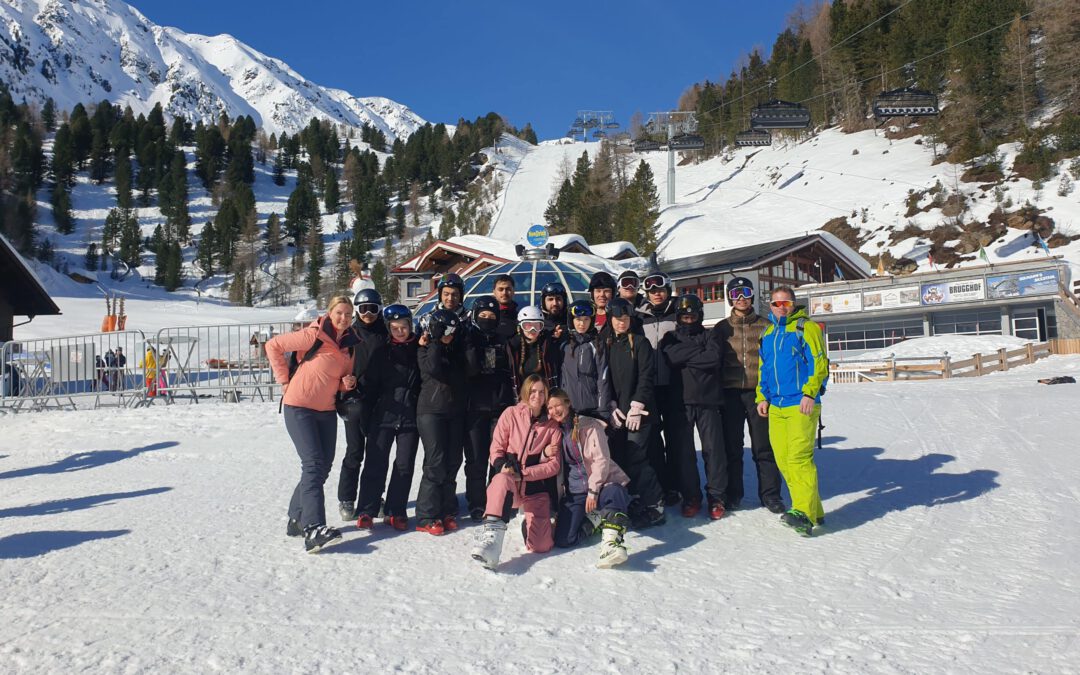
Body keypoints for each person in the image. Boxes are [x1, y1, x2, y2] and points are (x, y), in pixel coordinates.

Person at [265, 296, 361, 553]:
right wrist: (284, 381)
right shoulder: (313, 335)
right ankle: (313, 528)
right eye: (339, 312)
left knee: (322, 467)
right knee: (313, 464)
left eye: (348, 314)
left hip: (326, 410)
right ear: (329, 313)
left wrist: (346, 384)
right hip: (299, 407)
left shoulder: (349, 346)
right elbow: (273, 345)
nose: (344, 318)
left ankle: (296, 518)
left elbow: (339, 380)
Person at [755, 285, 829, 536]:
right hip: (776, 406)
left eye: (785, 303)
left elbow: (819, 363)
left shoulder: (805, 328)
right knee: (783, 460)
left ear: (794, 304)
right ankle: (815, 510)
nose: (781, 307)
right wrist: (762, 396)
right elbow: (764, 370)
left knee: (799, 458)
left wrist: (810, 393)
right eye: (776, 304)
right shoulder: (768, 333)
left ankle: (803, 514)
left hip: (800, 403)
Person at [469, 374, 561, 571]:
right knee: (500, 480)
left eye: (542, 392)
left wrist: (526, 474)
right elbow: (496, 448)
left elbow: (554, 465)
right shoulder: (511, 414)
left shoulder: (552, 426)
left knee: (542, 546)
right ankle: (492, 542)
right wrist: (502, 465)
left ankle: (527, 524)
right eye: (533, 391)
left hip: (534, 487)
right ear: (525, 392)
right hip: (510, 482)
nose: (537, 395)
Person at [714, 277, 785, 514]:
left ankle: (771, 495)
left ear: (752, 295)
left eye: (745, 293)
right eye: (736, 294)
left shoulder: (766, 325)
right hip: (730, 393)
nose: (741, 298)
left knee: (763, 447)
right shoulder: (722, 328)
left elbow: (775, 360)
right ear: (729, 299)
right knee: (733, 447)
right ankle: (734, 494)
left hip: (759, 394)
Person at [353, 304, 421, 531]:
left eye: (404, 327)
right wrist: (365, 414)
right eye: (395, 328)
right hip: (383, 415)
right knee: (375, 462)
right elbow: (369, 386)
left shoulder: (419, 349)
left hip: (410, 416)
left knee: (404, 464)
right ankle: (366, 509)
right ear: (388, 328)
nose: (400, 332)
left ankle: (396, 509)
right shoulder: (381, 352)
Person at [548, 389, 632, 568]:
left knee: (615, 491)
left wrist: (593, 491)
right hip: (575, 491)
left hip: (600, 484)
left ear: (568, 403)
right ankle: (595, 519)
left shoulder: (588, 425)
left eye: (557, 405)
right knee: (564, 540)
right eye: (550, 408)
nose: (554, 411)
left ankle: (611, 544)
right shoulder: (555, 432)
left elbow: (602, 459)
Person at [605, 297, 666, 527]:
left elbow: (646, 376)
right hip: (618, 413)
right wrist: (611, 405)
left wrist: (637, 405)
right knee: (618, 456)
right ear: (610, 320)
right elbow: (607, 378)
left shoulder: (640, 343)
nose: (622, 323)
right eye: (617, 319)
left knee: (636, 457)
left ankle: (655, 503)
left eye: (625, 319)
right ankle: (634, 498)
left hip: (640, 413)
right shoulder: (609, 344)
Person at [661, 294, 723, 519]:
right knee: (684, 454)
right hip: (680, 401)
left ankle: (716, 496)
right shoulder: (670, 338)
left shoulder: (710, 334)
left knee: (713, 451)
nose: (689, 319)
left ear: (700, 315)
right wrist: (698, 352)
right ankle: (691, 496)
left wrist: (686, 357)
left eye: (693, 315)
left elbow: (714, 358)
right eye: (684, 316)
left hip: (708, 401)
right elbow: (672, 358)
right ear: (678, 317)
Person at [462, 295, 516, 521]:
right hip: (474, 407)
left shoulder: (503, 339)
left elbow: (511, 370)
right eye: (482, 316)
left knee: (498, 457)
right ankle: (476, 502)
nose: (486, 320)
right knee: (476, 457)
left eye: (491, 316)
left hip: (499, 407)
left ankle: (495, 499)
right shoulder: (467, 337)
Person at [415, 308, 469, 535]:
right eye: (443, 329)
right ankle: (427, 515)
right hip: (431, 411)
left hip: (454, 411)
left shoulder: (456, 349)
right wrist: (435, 341)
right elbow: (432, 369)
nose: (449, 333)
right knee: (435, 461)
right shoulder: (425, 348)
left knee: (453, 461)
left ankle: (446, 509)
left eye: (451, 329)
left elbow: (468, 370)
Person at [336, 288, 388, 521]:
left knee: (377, 453)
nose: (368, 314)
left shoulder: (386, 332)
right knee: (354, 450)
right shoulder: (348, 334)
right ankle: (347, 497)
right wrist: (341, 383)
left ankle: (373, 495)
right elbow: (333, 364)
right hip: (354, 400)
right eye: (363, 309)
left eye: (373, 309)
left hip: (380, 400)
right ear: (357, 310)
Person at [636, 271, 687, 508]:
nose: (656, 294)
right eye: (652, 291)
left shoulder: (679, 314)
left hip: (675, 385)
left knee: (676, 440)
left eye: (661, 290)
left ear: (668, 290)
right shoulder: (639, 318)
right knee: (654, 441)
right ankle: (661, 487)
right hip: (650, 388)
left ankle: (677, 485)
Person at [560, 300, 614, 421]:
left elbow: (603, 377)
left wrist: (603, 409)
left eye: (586, 319)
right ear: (571, 320)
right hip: (567, 409)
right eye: (578, 319)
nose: (582, 324)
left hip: (592, 408)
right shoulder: (564, 344)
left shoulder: (597, 344)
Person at [509, 305, 562, 391]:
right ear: (520, 327)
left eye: (537, 325)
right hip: (522, 397)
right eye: (527, 325)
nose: (532, 330)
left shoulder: (547, 345)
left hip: (544, 396)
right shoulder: (513, 347)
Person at [588, 271, 617, 337]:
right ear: (592, 294)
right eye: (598, 291)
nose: (602, 295)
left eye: (606, 291)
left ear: (613, 294)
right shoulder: (585, 315)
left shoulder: (619, 316)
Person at [492, 274, 519, 339]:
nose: (504, 292)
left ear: (513, 291)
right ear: (494, 292)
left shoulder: (520, 318)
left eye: (508, 289)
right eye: (500, 289)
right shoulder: (487, 317)